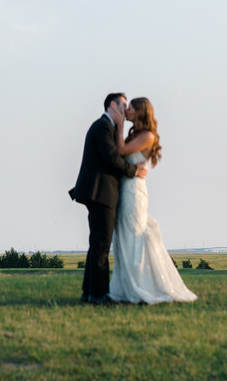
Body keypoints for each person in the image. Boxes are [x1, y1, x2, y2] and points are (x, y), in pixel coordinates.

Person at [108, 97, 197, 304]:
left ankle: (140, 287)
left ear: (140, 112)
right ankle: (124, 289)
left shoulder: (148, 136)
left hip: (134, 193)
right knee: (123, 239)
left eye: (129, 108)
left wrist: (119, 125)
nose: (126, 110)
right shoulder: (136, 134)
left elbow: (120, 151)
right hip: (125, 190)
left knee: (133, 239)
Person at [69, 92, 147, 304]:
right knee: (101, 245)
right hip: (100, 192)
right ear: (112, 105)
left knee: (97, 244)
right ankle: (99, 295)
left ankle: (89, 292)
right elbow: (111, 158)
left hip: (100, 192)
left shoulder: (107, 127)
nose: (125, 110)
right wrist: (134, 171)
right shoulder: (103, 126)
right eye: (122, 105)